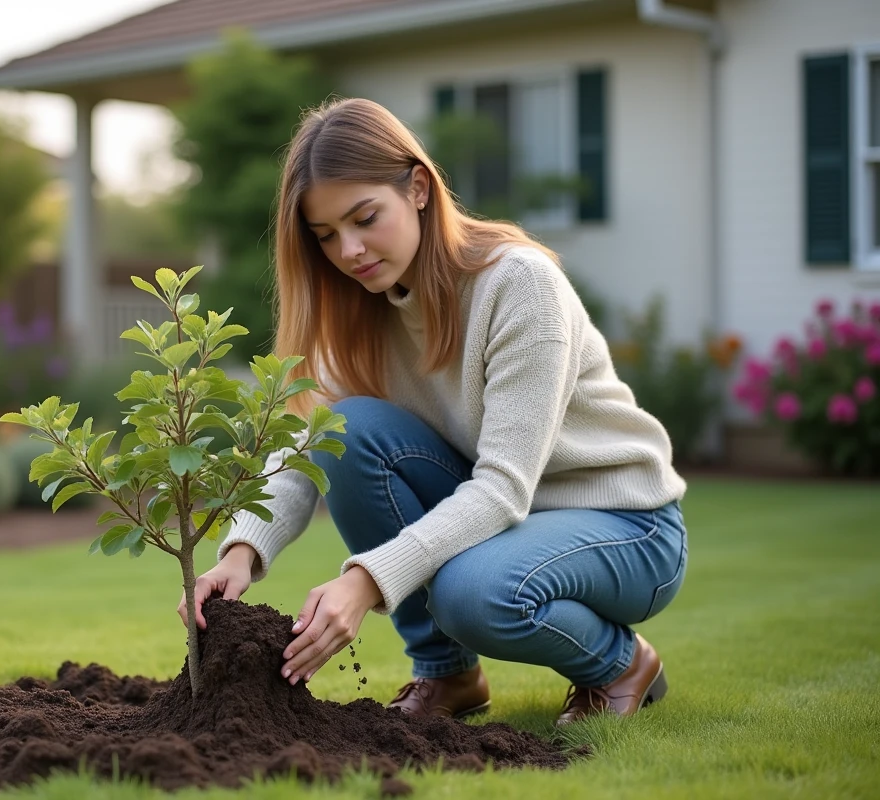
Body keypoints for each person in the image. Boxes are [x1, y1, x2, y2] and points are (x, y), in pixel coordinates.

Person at [177, 97, 688, 727]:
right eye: (327, 235)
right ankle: (448, 674)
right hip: (510, 524)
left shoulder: (517, 285)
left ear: (418, 187)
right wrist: (241, 553)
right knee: (350, 431)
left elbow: (502, 489)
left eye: (365, 218)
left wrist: (365, 582)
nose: (350, 250)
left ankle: (619, 663)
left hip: (625, 525)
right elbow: (308, 442)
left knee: (473, 593)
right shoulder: (360, 307)